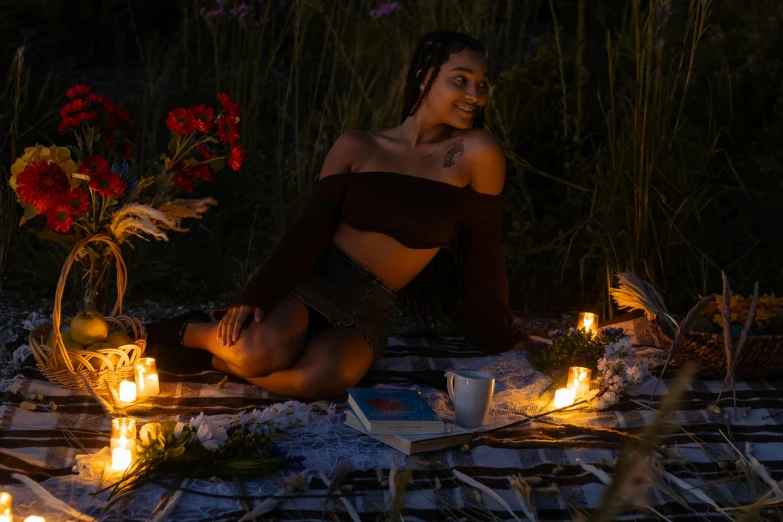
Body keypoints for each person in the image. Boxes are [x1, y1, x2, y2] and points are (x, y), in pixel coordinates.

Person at [145, 30, 525, 400]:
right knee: (257, 353)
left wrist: (500, 331)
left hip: (371, 306)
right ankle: (185, 330)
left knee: (321, 380)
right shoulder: (358, 145)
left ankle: (217, 361)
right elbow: (310, 228)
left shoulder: (478, 152)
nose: (475, 95)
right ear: (425, 78)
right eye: (461, 80)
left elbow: (485, 251)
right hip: (315, 280)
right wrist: (257, 293)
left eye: (482, 84)